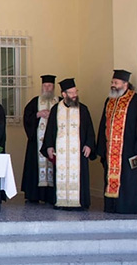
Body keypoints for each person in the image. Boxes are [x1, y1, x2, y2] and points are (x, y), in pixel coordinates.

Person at [97, 70, 137, 214]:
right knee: (111, 179)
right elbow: (103, 124)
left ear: (125, 84)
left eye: (116, 83)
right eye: (112, 82)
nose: (113, 85)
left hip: (130, 150)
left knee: (129, 180)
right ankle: (112, 207)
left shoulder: (136, 101)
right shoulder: (110, 101)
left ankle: (129, 208)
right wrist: (102, 147)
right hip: (112, 151)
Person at [40, 78, 96, 210]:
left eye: (75, 92)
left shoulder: (83, 109)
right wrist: (49, 146)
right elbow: (50, 129)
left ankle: (80, 202)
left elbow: (90, 129)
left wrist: (89, 144)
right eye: (71, 93)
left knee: (80, 176)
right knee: (60, 174)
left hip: (79, 152)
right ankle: (61, 201)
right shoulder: (56, 109)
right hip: (61, 153)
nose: (74, 95)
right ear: (64, 94)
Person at [21, 75, 59, 204]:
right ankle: (34, 195)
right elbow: (27, 118)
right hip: (37, 142)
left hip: (54, 142)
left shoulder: (59, 102)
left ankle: (51, 196)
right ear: (42, 87)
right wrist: (38, 114)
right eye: (45, 86)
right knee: (35, 167)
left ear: (53, 87)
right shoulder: (35, 101)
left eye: (49, 86)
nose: (47, 88)